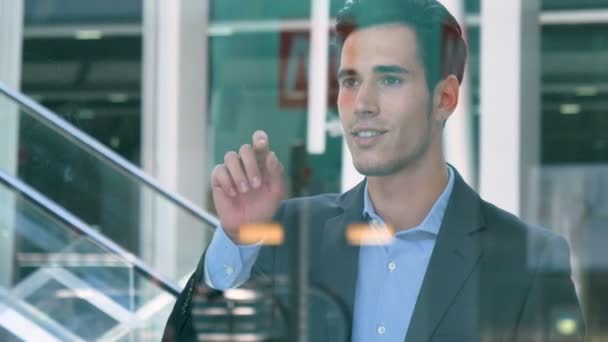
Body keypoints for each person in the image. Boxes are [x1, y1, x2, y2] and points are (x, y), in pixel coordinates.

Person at [163, 0, 585, 341]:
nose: (361, 103)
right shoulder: (286, 236)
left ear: (445, 98)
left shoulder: (527, 262)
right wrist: (236, 240)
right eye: (349, 81)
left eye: (389, 80)